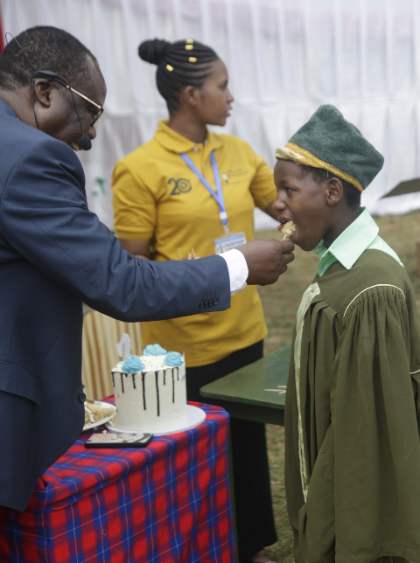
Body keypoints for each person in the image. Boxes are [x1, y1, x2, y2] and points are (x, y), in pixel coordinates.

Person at [0, 26, 295, 513]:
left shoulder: (237, 151)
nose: (91, 134)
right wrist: (236, 266)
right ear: (44, 90)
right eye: (88, 112)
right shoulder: (32, 156)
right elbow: (122, 280)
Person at [112, 38, 281, 562]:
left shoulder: (237, 152)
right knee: (195, 465)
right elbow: (131, 270)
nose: (230, 97)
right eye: (221, 86)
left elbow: (281, 204)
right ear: (190, 94)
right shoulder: (139, 169)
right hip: (182, 351)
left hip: (243, 335)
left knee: (246, 456)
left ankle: (249, 545)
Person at [272, 104, 420, 563]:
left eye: (289, 189)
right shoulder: (341, 267)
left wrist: (334, 524)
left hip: (348, 492)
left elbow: (365, 438)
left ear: (332, 191)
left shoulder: (370, 289)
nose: (278, 203)